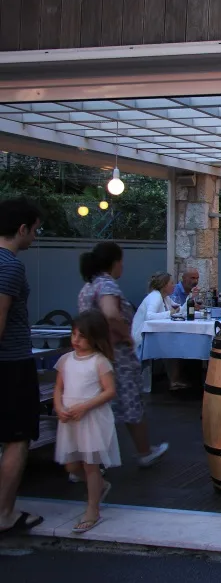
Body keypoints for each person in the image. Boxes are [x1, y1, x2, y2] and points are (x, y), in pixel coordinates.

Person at [79, 242, 168, 468]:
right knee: (131, 402)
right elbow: (110, 314)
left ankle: (88, 461)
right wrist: (126, 335)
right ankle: (144, 450)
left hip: (92, 354)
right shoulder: (107, 285)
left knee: (97, 406)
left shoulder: (88, 286)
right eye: (121, 261)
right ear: (114, 262)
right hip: (115, 355)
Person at [0, 197, 44, 535]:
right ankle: (4, 514)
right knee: (17, 438)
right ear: (22, 229)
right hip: (11, 364)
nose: (36, 236)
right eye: (35, 229)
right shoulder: (10, 265)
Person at [53, 310, 119, 534]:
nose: (76, 340)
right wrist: (59, 407)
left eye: (81, 336)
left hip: (90, 419)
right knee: (72, 465)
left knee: (91, 464)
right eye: (73, 335)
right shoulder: (65, 360)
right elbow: (59, 388)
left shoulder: (99, 362)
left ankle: (93, 509)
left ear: (94, 337)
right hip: (71, 419)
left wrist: (85, 406)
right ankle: (99, 487)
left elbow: (109, 391)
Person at [132, 272, 185, 392]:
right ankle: (174, 380)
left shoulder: (165, 297)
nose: (174, 286)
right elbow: (149, 316)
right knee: (173, 345)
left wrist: (191, 299)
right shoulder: (155, 297)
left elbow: (179, 309)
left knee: (173, 344)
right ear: (164, 285)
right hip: (143, 337)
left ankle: (174, 380)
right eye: (171, 283)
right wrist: (170, 313)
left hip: (154, 333)